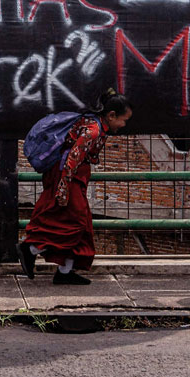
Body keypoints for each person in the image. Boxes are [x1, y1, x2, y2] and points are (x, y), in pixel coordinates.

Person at [17, 89, 133, 285]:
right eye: (123, 120)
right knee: (75, 222)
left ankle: (65, 271)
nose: (123, 125)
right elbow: (72, 159)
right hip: (67, 177)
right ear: (111, 116)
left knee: (81, 224)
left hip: (73, 177)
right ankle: (31, 249)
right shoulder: (93, 131)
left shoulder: (95, 125)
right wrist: (63, 189)